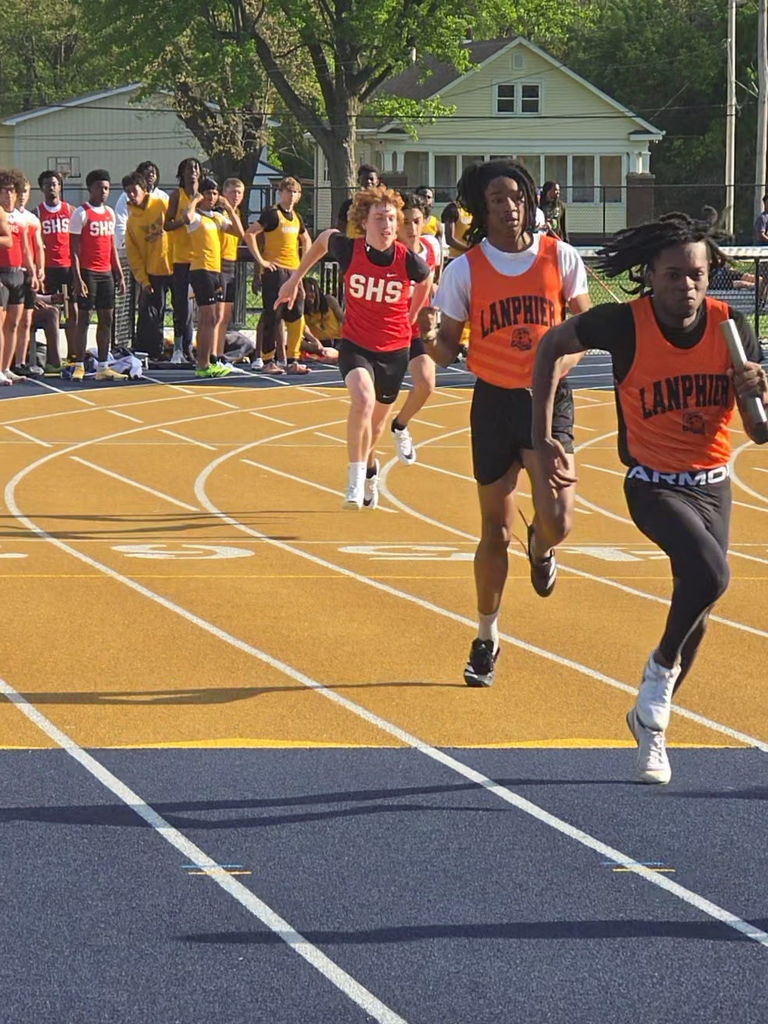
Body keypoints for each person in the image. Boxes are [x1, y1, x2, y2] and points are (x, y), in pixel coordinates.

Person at [532, 212, 768, 785]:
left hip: (713, 484)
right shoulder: (623, 324)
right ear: (650, 275)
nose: (685, 287)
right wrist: (542, 433)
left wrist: (757, 387)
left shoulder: (731, 326)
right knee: (713, 577)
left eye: (696, 275)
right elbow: (550, 346)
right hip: (652, 483)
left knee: (700, 609)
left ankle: (651, 722)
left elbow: (760, 433)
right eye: (672, 276)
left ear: (710, 273)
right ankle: (658, 676)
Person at [427, 159, 590, 688]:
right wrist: (423, 337)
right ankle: (485, 636)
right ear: (482, 206)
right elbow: (448, 348)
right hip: (494, 403)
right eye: (497, 197)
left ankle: (541, 549)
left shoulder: (560, 257)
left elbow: (584, 331)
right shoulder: (464, 270)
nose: (510, 204)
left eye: (517, 195)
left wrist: (552, 369)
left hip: (549, 401)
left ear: (529, 201)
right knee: (493, 529)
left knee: (559, 519)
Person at [276, 185, 432, 508]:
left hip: (394, 350)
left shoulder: (407, 260)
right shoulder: (350, 250)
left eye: (391, 218)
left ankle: (371, 467)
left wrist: (413, 312)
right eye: (379, 218)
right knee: (362, 399)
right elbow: (321, 241)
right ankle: (355, 479)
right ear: (364, 221)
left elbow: (427, 277)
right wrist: (294, 280)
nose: (387, 226)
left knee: (374, 430)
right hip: (357, 345)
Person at [245, 176, 312, 375]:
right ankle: (267, 359)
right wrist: (262, 261)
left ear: (299, 196)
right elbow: (250, 234)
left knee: (296, 315)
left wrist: (303, 264)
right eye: (288, 191)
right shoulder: (272, 214)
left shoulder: (297, 217)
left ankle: (293, 359)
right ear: (280, 192)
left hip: (294, 272)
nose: (291, 195)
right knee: (272, 315)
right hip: (276, 272)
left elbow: (306, 239)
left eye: (295, 192)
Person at [390, 192, 438, 464]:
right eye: (405, 222)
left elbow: (433, 280)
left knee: (427, 383)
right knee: (380, 396)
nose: (411, 228)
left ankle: (400, 425)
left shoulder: (430, 249)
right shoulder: (389, 250)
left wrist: (433, 306)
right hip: (389, 326)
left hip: (415, 326)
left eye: (416, 221)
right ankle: (367, 466)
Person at [182, 175, 244, 378]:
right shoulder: (198, 217)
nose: (211, 197)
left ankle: (209, 361)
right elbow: (187, 217)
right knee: (207, 317)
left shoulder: (217, 218)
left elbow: (238, 232)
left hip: (216, 271)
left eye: (215, 193)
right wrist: (195, 199)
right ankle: (202, 363)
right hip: (201, 270)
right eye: (208, 192)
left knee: (215, 318)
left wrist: (229, 209)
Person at [69, 168, 127, 381]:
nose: (104, 192)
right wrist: (78, 278)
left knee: (106, 319)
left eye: (107, 188)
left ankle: (103, 365)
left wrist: (119, 274)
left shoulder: (110, 213)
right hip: (88, 272)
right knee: (84, 319)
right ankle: (78, 364)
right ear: (90, 188)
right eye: (100, 188)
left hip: (106, 273)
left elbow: (111, 247)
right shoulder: (81, 213)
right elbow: (73, 250)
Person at [123, 171, 172, 361]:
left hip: (174, 266)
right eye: (128, 192)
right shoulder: (132, 220)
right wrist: (143, 280)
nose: (131, 195)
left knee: (183, 312)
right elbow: (133, 255)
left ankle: (182, 350)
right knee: (152, 314)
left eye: (134, 190)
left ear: (144, 189)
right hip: (153, 272)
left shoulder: (161, 204)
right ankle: (152, 351)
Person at [0, 170, 38, 384]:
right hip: (1, 272)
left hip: (18, 273)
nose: (8, 196)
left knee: (14, 324)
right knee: (0, 324)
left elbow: (25, 249)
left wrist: (32, 272)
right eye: (4, 192)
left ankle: (6, 367)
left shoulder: (22, 218)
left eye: (12, 192)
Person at [36, 169, 77, 368]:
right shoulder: (37, 212)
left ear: (60, 186)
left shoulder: (70, 210)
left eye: (54, 184)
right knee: (52, 312)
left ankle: (73, 354)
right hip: (48, 268)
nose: (51, 188)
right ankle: (54, 356)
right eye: (47, 184)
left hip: (67, 267)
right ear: (42, 188)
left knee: (72, 312)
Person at [164, 157, 202, 363]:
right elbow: (166, 224)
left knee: (200, 306)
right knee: (181, 304)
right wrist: (182, 221)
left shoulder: (203, 196)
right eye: (189, 169)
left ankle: (193, 348)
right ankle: (178, 348)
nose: (193, 172)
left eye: (196, 168)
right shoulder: (177, 196)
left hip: (202, 259)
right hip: (181, 258)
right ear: (182, 173)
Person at [14, 174, 45, 376]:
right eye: (19, 192)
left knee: (27, 320)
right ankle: (7, 361)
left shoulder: (32, 218)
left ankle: (21, 362)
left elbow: (38, 246)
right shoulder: (8, 216)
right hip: (15, 271)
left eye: (25, 191)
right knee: (11, 321)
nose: (22, 196)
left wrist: (40, 268)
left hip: (30, 274)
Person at [215, 177, 246, 365]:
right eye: (233, 192)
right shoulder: (219, 212)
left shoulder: (236, 212)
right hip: (218, 263)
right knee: (216, 315)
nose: (236, 196)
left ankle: (219, 354)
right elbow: (238, 232)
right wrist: (227, 208)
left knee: (226, 315)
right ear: (224, 193)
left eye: (239, 193)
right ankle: (213, 354)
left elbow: (242, 235)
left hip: (231, 263)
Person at [115, 160, 169, 250]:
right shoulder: (127, 196)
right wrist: (126, 243)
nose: (151, 176)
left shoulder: (162, 196)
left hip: (158, 246)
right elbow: (120, 222)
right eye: (148, 173)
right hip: (133, 246)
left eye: (153, 173)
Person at [336, 164, 380, 237]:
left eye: (371, 179)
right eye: (365, 179)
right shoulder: (348, 205)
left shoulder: (381, 204)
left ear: (377, 182)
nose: (369, 182)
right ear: (358, 181)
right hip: (354, 244)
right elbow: (341, 230)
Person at [441, 195, 472, 259]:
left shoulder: (475, 208)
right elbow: (449, 240)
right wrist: (469, 249)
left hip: (473, 258)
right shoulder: (452, 209)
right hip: (456, 258)